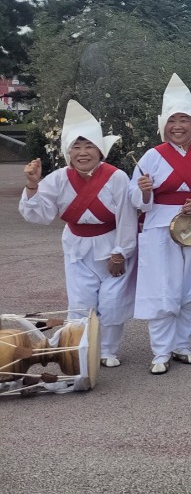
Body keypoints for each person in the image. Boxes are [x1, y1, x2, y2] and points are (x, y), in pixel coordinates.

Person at [20, 100, 137, 368]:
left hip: (112, 244)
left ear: (100, 150)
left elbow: (127, 217)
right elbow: (39, 214)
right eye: (77, 147)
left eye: (89, 146)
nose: (83, 153)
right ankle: (81, 348)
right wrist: (32, 184)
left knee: (112, 301)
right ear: (68, 151)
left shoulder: (117, 177)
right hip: (77, 246)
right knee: (82, 302)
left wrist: (121, 252)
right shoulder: (59, 178)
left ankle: (107, 349)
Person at [130, 74, 191, 375]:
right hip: (161, 226)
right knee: (164, 286)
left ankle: (183, 345)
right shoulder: (152, 155)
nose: (178, 126)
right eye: (173, 120)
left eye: (184, 120)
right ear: (164, 126)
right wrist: (145, 189)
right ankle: (160, 351)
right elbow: (135, 198)